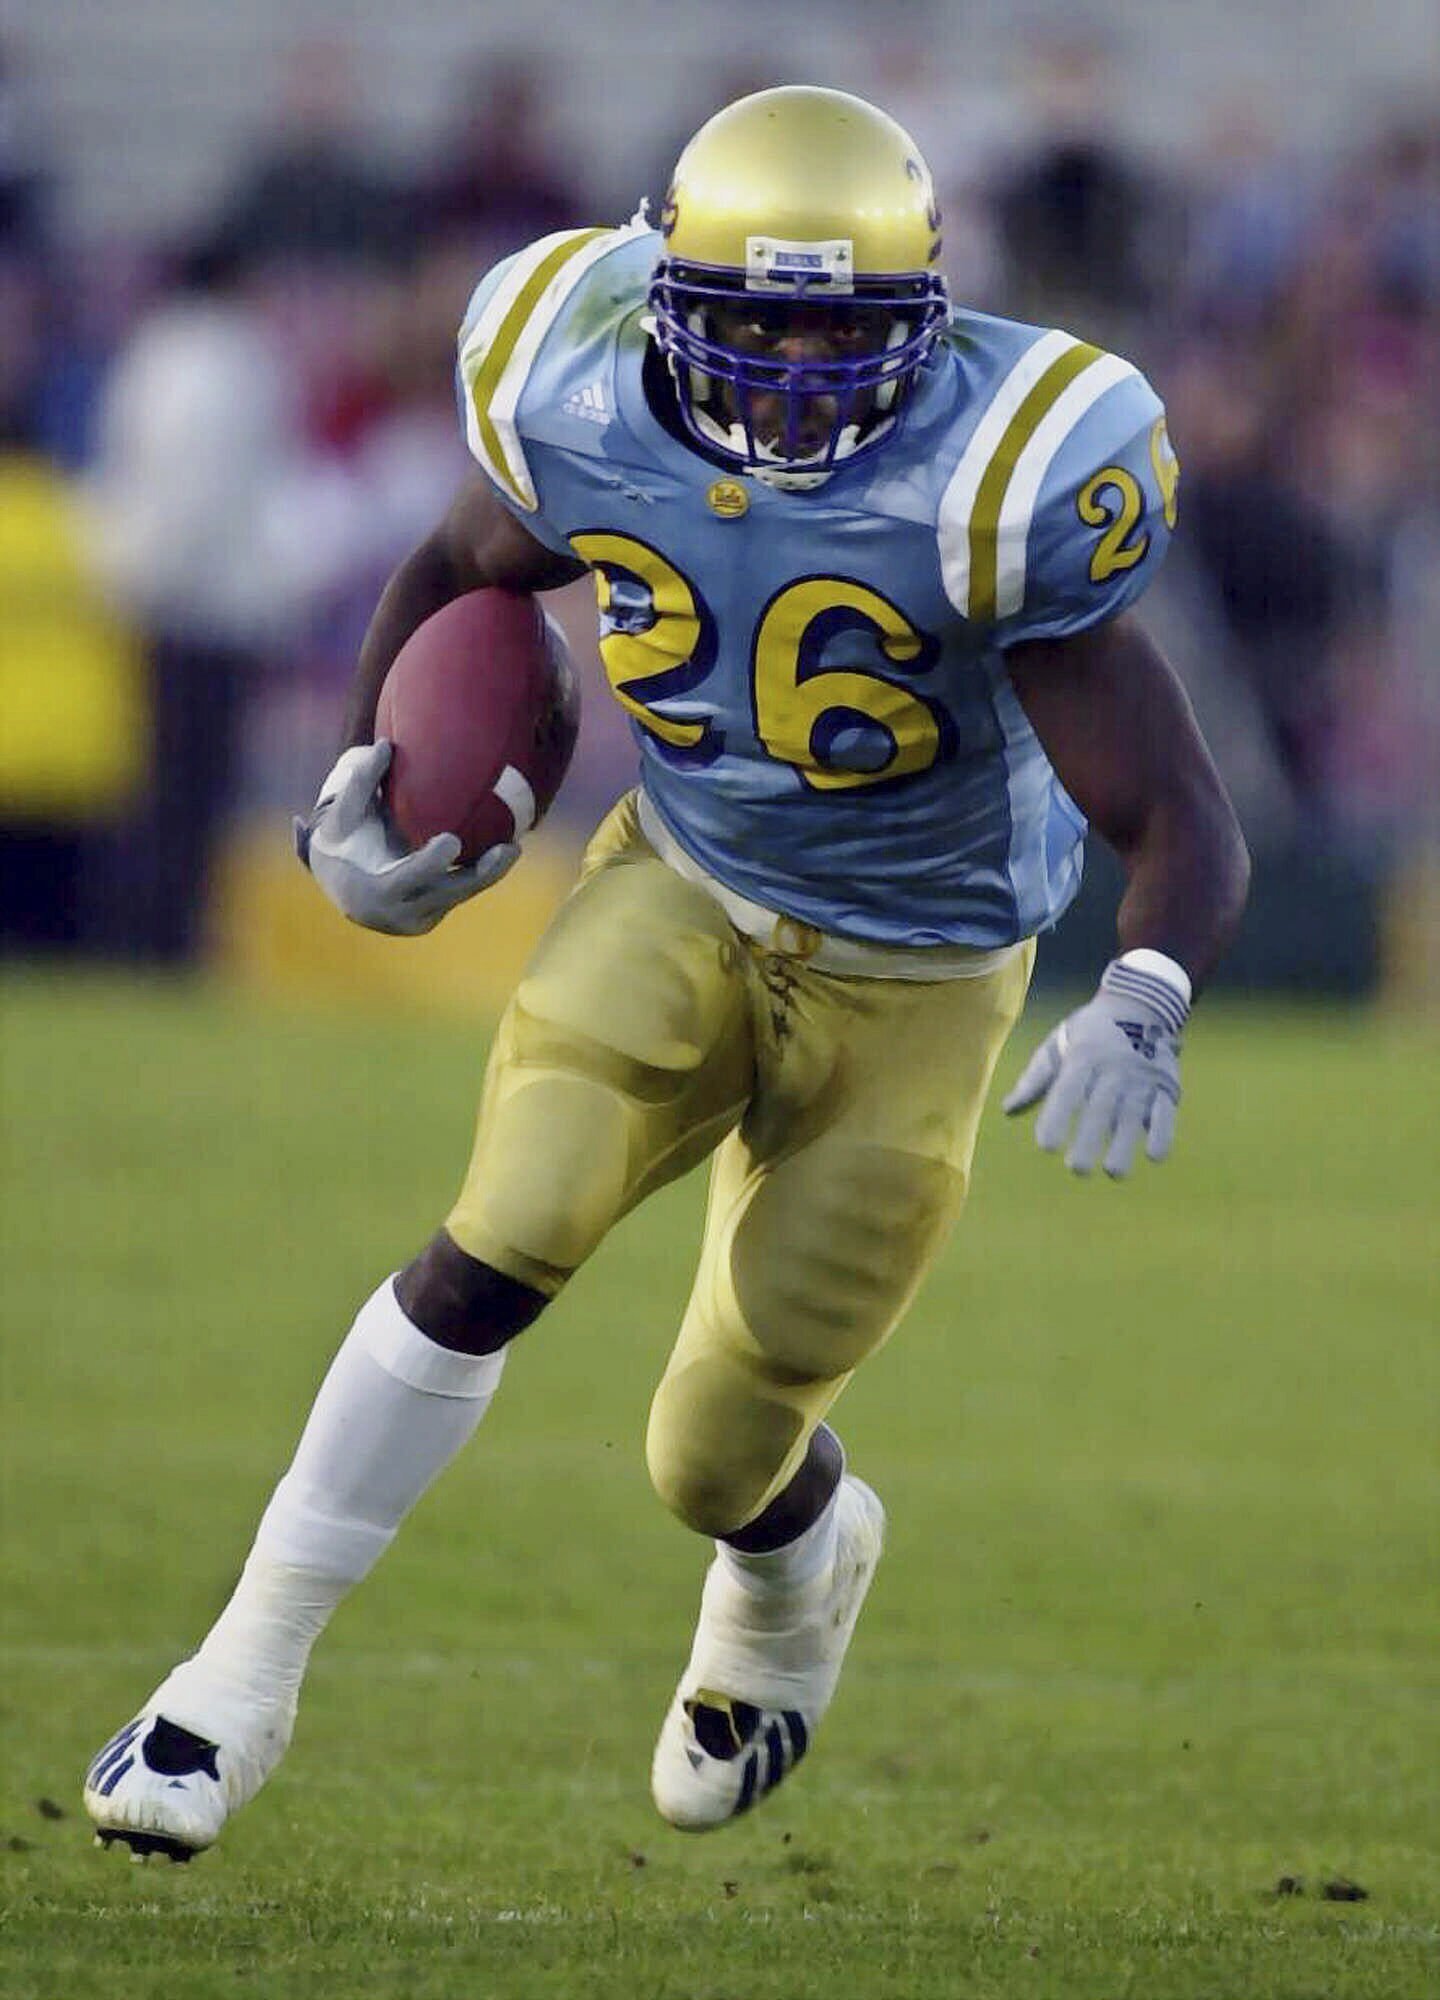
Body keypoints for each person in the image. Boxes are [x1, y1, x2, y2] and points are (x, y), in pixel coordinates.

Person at [84, 86, 1249, 1858]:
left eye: (837, 330)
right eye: (752, 322)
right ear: (667, 298)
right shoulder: (574, 384)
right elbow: (459, 566)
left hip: (922, 974)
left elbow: (1178, 809)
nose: (790, 368)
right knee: (508, 1224)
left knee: (713, 1448)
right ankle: (237, 1675)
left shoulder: (1004, 479)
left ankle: (793, 1572)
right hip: (689, 883)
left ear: (926, 324)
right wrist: (355, 773)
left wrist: (1146, 991)